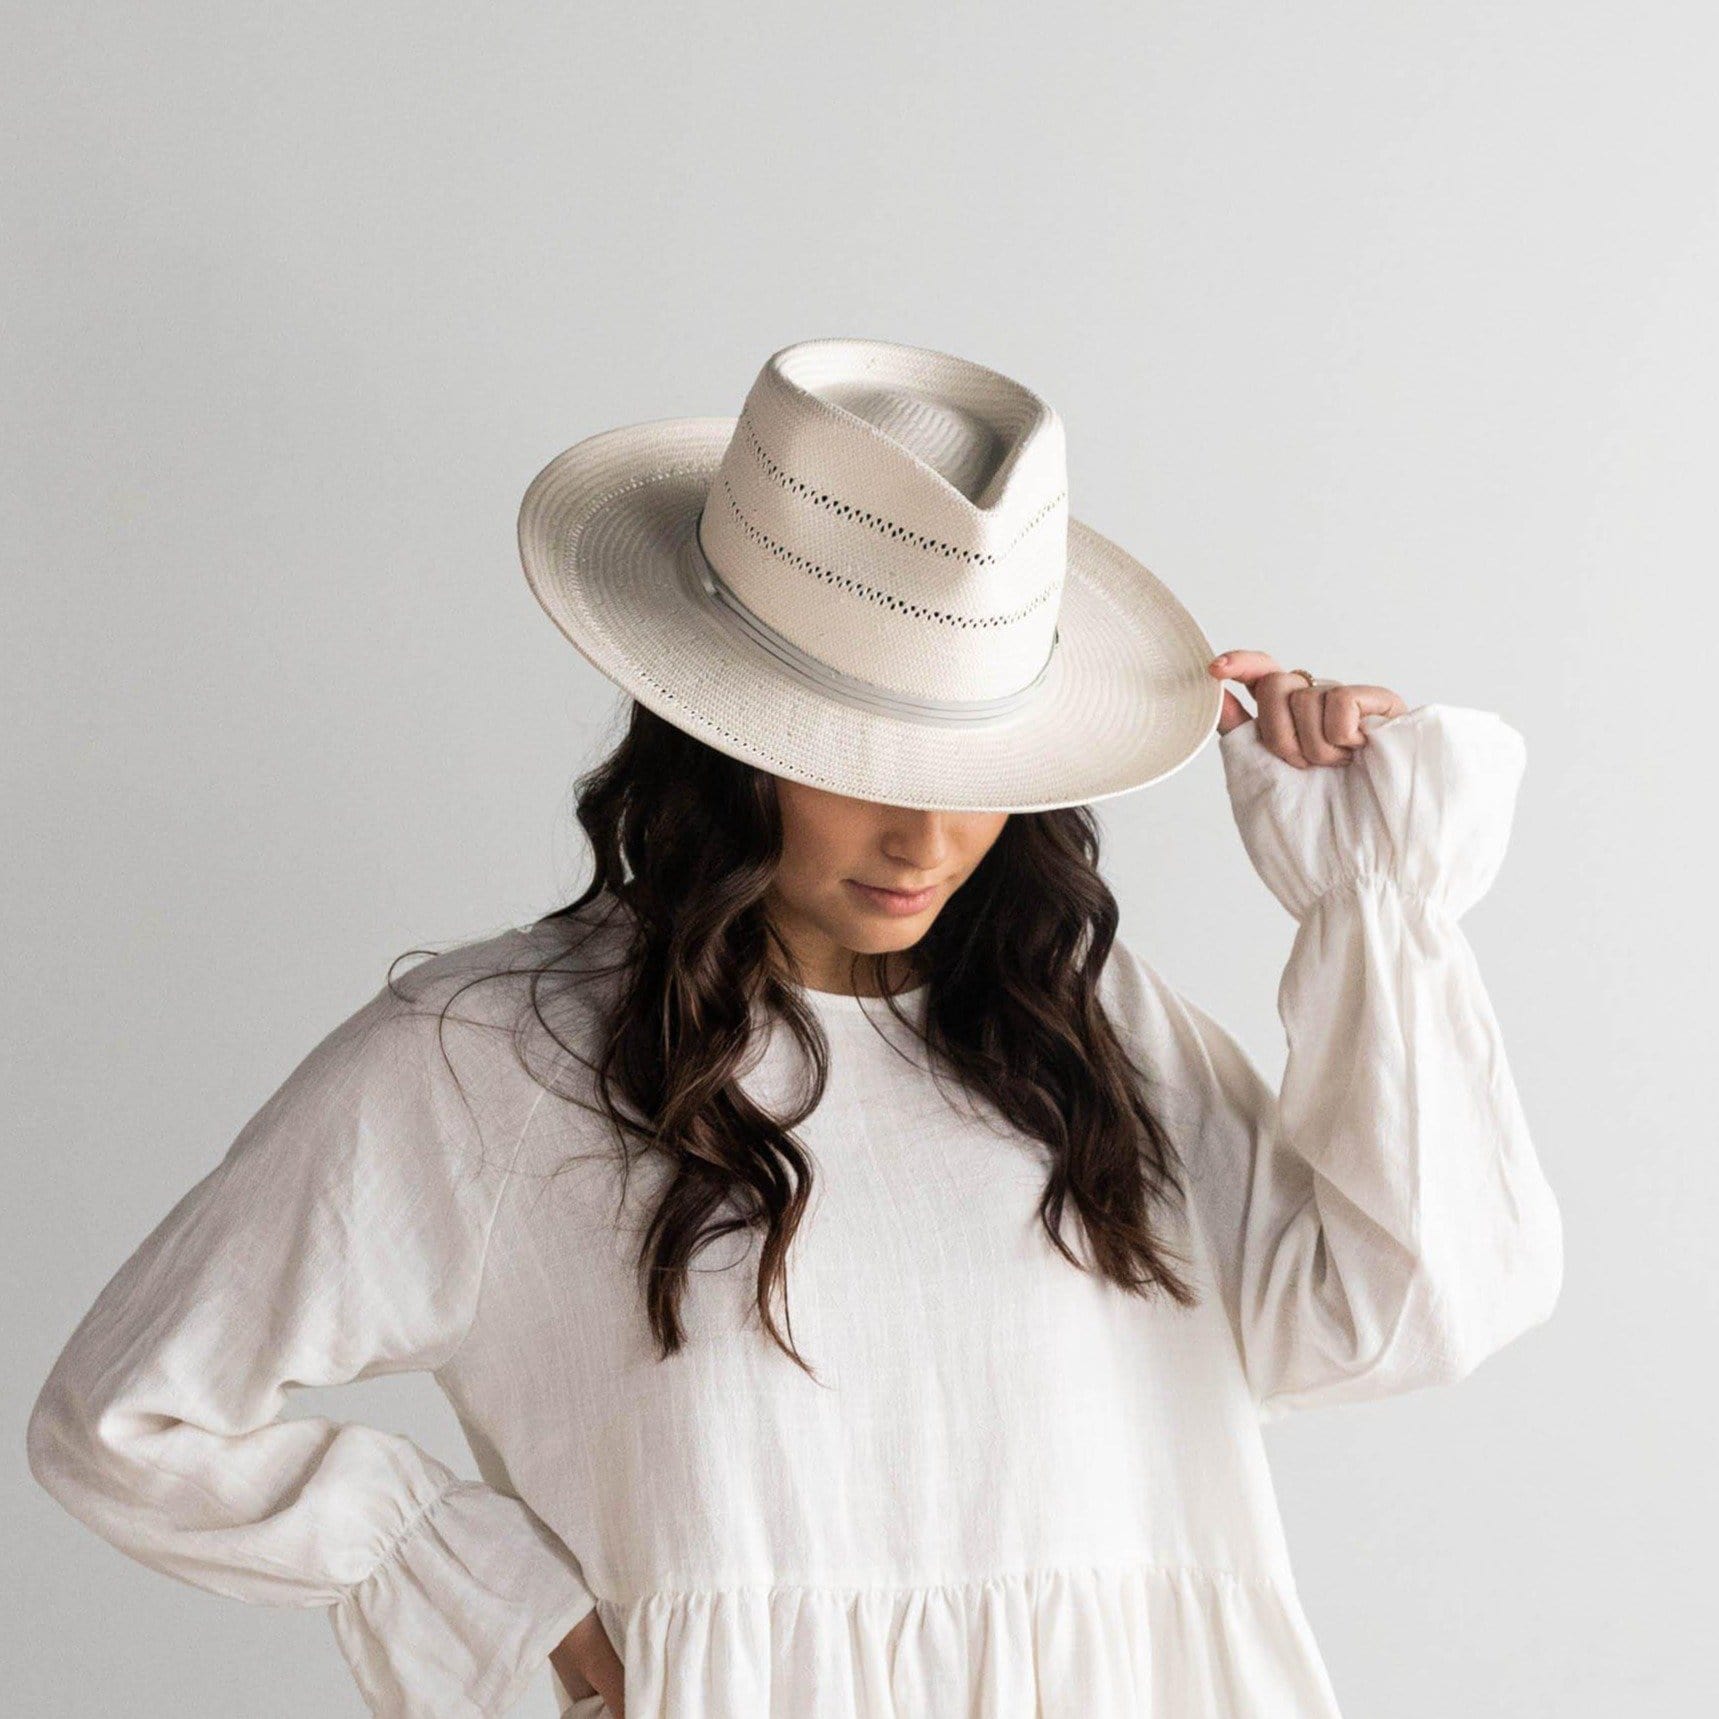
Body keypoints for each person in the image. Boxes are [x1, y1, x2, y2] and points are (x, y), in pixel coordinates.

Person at [26, 337, 1563, 1718]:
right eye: (856, 760)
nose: (925, 839)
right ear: (718, 742)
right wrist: (496, 1594)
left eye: (975, 767)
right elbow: (126, 1416)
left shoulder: (1084, 1029)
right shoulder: (489, 1060)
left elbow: (1402, 1313)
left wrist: (1372, 906)